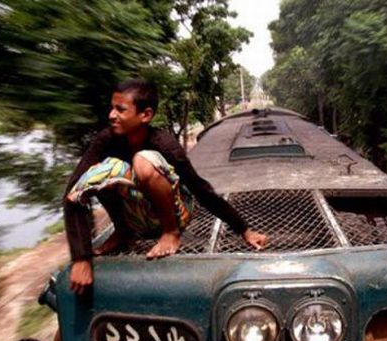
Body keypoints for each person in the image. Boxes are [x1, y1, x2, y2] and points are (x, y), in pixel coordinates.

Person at [64, 79, 268, 294]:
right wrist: (81, 258)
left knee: (143, 161)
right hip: (138, 213)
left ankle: (169, 233)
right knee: (99, 172)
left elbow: (201, 190)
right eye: (112, 108)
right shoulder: (106, 140)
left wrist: (244, 230)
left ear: (146, 115)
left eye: (120, 110)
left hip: (177, 212)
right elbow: (74, 193)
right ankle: (123, 232)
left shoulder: (164, 144)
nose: (111, 115)